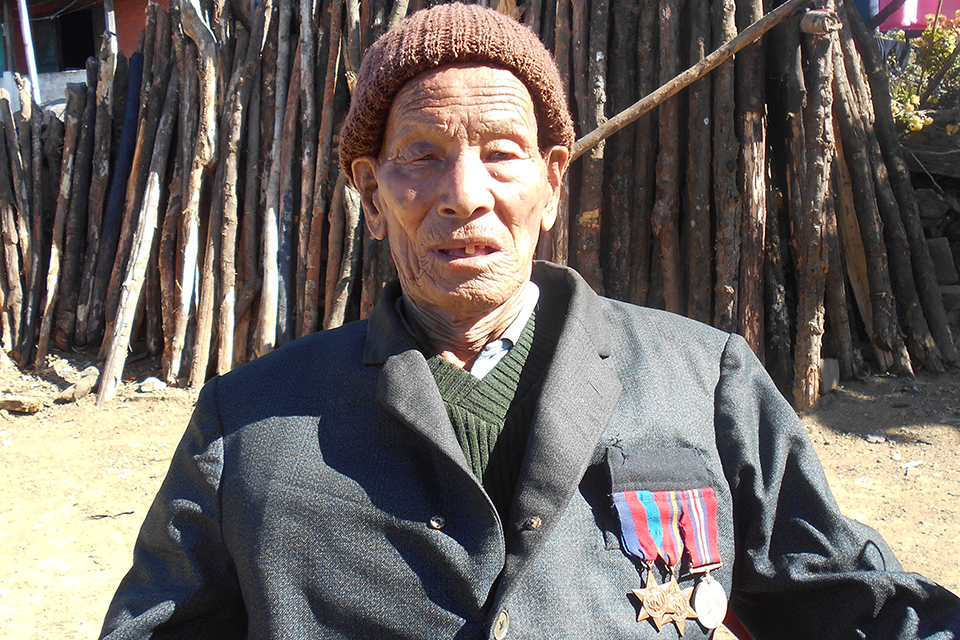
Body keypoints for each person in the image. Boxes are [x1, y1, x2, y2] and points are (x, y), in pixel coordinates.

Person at [100, 4, 960, 639]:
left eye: (502, 155)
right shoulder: (249, 428)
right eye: (421, 157)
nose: (464, 195)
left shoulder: (704, 379)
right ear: (371, 197)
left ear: (552, 185)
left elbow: (847, 604)